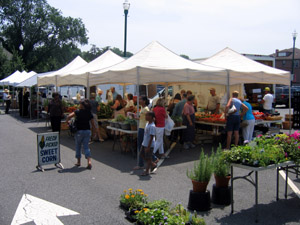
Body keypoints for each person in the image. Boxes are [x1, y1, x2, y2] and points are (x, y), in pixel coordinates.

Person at [66, 99, 95, 170]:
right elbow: (93, 124)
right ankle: (89, 161)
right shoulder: (89, 113)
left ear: (82, 105)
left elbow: (69, 116)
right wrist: (94, 132)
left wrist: (67, 122)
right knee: (86, 147)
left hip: (79, 131)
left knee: (78, 146)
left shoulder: (78, 111)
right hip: (87, 131)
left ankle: (78, 162)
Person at [133, 96, 150, 170]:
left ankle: (141, 164)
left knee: (141, 146)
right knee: (142, 146)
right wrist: (136, 117)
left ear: (144, 101)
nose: (139, 100)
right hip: (141, 128)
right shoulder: (142, 108)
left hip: (143, 129)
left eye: (140, 99)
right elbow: (142, 118)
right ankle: (142, 163)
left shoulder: (146, 109)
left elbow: (148, 119)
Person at [140, 111, 157, 176]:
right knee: (142, 155)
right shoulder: (147, 123)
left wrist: (148, 147)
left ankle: (147, 171)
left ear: (151, 117)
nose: (146, 117)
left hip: (149, 145)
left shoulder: (152, 126)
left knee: (148, 158)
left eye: (147, 115)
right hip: (144, 143)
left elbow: (151, 137)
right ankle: (153, 164)